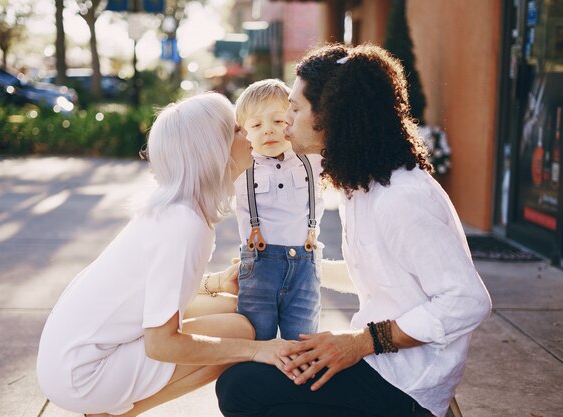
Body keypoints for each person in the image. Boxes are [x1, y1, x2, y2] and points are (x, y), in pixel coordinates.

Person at [216, 44, 492, 417]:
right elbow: (380, 276)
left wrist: (360, 342)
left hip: (406, 384)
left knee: (249, 394)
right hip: (379, 364)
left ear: (330, 116)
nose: (286, 120)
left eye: (295, 109)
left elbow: (467, 300)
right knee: (240, 382)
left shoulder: (402, 198)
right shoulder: (361, 184)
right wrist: (283, 267)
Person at [36, 92, 294, 417]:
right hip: (84, 375)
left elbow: (154, 298)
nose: (247, 134)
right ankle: (109, 414)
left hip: (65, 362)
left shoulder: (174, 208)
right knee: (241, 331)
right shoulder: (185, 225)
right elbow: (160, 343)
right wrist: (257, 351)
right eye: (236, 130)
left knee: (233, 309)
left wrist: (215, 282)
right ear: (213, 150)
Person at [233, 79, 325, 341]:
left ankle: (297, 382)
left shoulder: (312, 160)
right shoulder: (240, 168)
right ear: (243, 133)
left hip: (305, 271)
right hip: (259, 271)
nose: (268, 131)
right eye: (256, 125)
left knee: (302, 343)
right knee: (256, 341)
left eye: (278, 121)